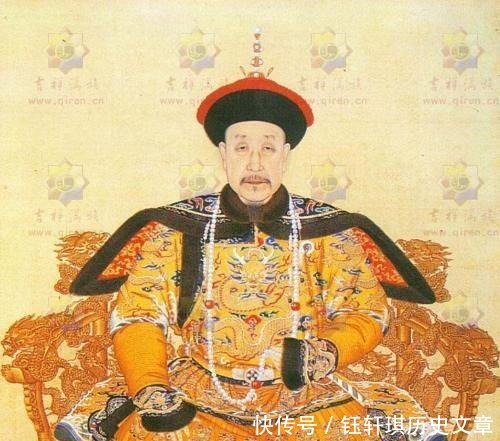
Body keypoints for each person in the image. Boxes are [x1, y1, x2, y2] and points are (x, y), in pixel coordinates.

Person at [55, 70, 445, 441]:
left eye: (268, 148)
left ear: (285, 155)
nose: (255, 163)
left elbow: (365, 311)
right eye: (242, 148)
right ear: (224, 154)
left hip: (303, 396)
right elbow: (139, 313)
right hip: (201, 390)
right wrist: (150, 384)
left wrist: (328, 350)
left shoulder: (328, 230)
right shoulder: (180, 228)